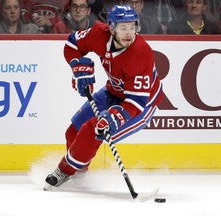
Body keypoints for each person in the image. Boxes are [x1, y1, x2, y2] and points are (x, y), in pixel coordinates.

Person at [44, 5, 163, 188]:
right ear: (111, 27)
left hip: (141, 105)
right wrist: (78, 67)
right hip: (112, 92)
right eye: (123, 28)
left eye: (132, 27)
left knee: (92, 130)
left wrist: (115, 116)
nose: (129, 33)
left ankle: (65, 170)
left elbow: (136, 101)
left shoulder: (141, 53)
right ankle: (78, 175)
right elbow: (72, 44)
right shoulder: (98, 33)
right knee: (73, 131)